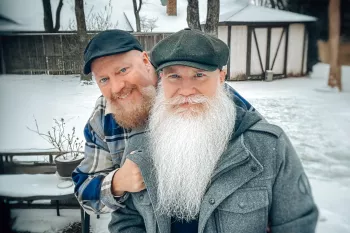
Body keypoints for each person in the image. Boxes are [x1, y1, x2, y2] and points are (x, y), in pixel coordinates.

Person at [108, 28, 318, 233]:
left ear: (221, 77)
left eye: (199, 75)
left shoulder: (268, 145)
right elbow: (125, 220)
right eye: (174, 77)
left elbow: (297, 223)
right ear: (161, 78)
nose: (186, 90)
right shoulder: (140, 144)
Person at [72, 29, 256, 214]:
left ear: (145, 60)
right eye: (104, 79)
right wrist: (117, 182)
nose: (117, 86)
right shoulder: (103, 118)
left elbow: (259, 140)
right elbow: (84, 193)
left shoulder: (198, 91)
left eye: (123, 70)